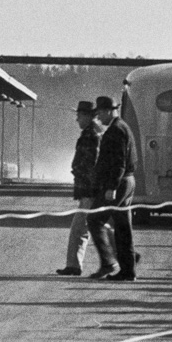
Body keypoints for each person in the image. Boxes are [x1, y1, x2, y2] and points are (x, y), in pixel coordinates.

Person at [87, 94, 138, 281]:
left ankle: (109, 262)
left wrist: (111, 187)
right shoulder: (123, 127)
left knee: (93, 219)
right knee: (123, 227)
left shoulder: (115, 130)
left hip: (119, 182)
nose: (98, 117)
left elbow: (119, 163)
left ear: (109, 111)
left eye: (100, 113)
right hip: (128, 181)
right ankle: (128, 270)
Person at [56, 100, 102, 276]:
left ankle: (74, 265)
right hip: (90, 188)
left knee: (80, 227)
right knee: (94, 226)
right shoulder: (95, 132)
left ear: (87, 116)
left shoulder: (91, 135)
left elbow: (92, 163)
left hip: (89, 189)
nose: (77, 119)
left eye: (79, 116)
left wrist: (86, 184)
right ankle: (125, 255)